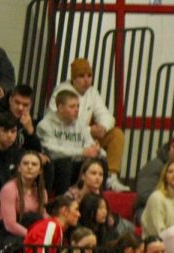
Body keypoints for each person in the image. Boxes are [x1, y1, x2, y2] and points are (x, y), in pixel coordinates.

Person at [46, 58, 128, 190]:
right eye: (81, 76)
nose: (86, 80)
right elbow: (59, 124)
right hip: (66, 138)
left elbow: (106, 115)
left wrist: (102, 127)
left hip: (87, 137)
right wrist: (89, 131)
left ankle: (111, 178)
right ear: (73, 78)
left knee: (116, 135)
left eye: (89, 76)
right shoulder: (61, 92)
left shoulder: (92, 92)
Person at [36, 89, 100, 194]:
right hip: (55, 167)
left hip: (76, 164)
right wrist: (82, 151)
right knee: (65, 162)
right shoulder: (45, 125)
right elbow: (52, 151)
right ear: (60, 108)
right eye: (72, 106)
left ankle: (95, 199)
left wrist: (94, 149)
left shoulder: (79, 123)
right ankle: (62, 201)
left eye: (78, 106)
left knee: (98, 162)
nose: (77, 110)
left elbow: (88, 142)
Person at [0, 148, 45, 247]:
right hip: (10, 236)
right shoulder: (9, 189)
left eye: (34, 164)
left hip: (32, 234)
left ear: (40, 171)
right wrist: (33, 236)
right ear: (19, 168)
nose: (29, 167)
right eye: (25, 163)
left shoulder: (42, 191)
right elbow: (10, 225)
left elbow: (43, 214)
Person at [141, 160, 174, 237]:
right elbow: (159, 230)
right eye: (170, 172)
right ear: (165, 176)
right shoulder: (156, 197)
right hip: (156, 243)